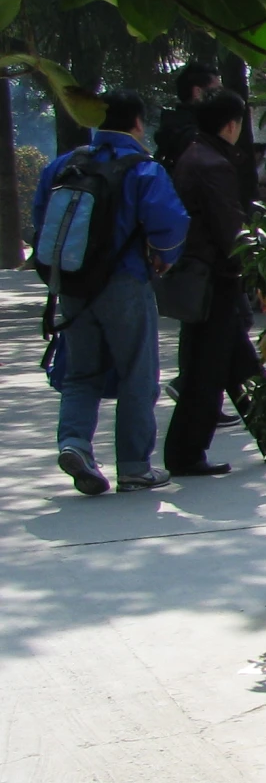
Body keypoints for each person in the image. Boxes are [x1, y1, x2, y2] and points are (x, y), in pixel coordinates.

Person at [31, 91, 192, 495]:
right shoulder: (143, 170)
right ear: (137, 123)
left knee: (81, 371)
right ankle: (135, 466)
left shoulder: (63, 165)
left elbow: (41, 219)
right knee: (138, 372)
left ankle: (74, 443)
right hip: (124, 281)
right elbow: (170, 224)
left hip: (72, 283)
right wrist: (164, 259)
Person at [164, 89, 265, 477]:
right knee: (207, 372)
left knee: (237, 364)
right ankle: (186, 454)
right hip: (215, 278)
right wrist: (258, 268)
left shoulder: (193, 156)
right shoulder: (213, 165)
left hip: (201, 276)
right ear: (231, 125)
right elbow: (230, 229)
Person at [154, 61, 221, 170]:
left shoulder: (173, 126)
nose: (221, 98)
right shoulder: (192, 134)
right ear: (198, 92)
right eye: (217, 91)